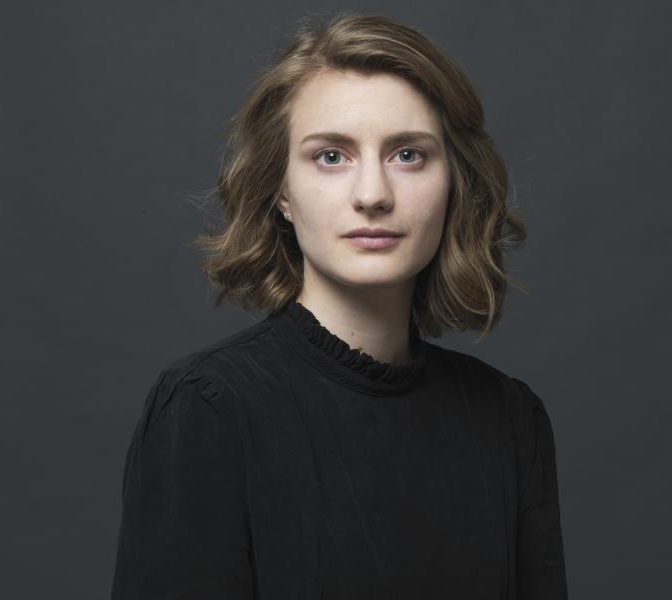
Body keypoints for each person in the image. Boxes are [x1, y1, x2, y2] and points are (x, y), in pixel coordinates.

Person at [109, 11, 568, 600]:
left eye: (408, 154)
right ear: (280, 190)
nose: (372, 195)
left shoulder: (509, 420)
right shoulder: (208, 409)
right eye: (331, 156)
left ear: (455, 181)